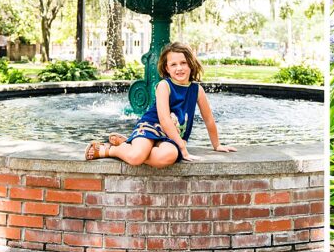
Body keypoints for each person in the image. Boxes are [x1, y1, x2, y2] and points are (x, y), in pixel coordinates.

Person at [85, 42, 236, 167]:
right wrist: (183, 147)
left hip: (171, 137)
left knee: (169, 156)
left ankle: (128, 146)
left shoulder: (197, 90)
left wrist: (217, 145)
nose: (179, 68)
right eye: (173, 64)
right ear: (167, 68)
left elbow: (208, 119)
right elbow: (164, 120)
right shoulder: (164, 86)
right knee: (136, 157)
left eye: (183, 63)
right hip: (151, 127)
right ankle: (111, 150)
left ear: (191, 64)